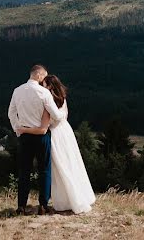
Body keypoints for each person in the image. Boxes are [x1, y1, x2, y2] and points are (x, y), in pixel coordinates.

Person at [16, 74, 96, 214]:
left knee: (59, 169)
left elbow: (43, 128)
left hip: (55, 136)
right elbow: (63, 117)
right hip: (66, 132)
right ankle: (77, 196)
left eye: (44, 84)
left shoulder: (48, 103)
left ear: (50, 86)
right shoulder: (62, 99)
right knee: (71, 164)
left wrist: (24, 129)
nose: (41, 87)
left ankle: (66, 200)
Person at [8, 64, 64, 215]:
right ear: (39, 75)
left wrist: (18, 129)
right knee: (44, 170)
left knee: (24, 171)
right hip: (41, 136)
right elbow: (57, 116)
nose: (44, 80)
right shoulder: (44, 93)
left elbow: (11, 113)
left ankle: (21, 206)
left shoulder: (17, 91)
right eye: (44, 77)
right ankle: (43, 205)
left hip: (25, 135)